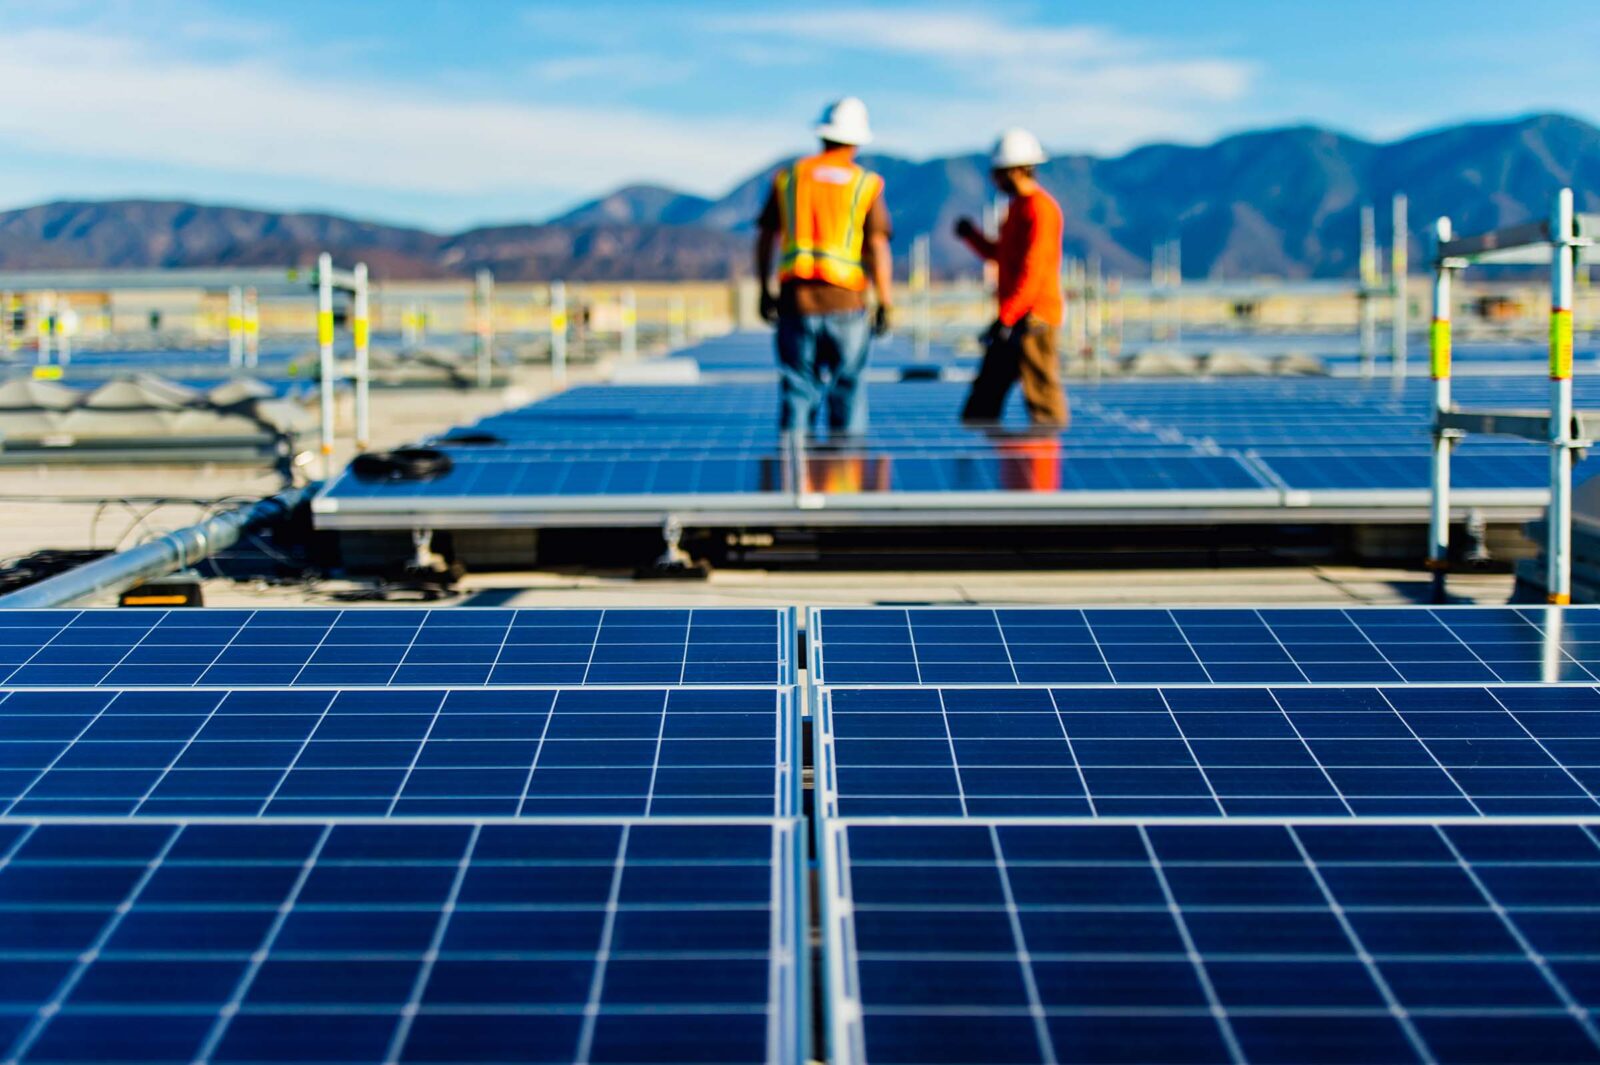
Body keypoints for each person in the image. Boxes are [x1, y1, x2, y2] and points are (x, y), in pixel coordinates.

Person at [755, 97, 893, 438]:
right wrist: (885, 300)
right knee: (848, 391)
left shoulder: (790, 179)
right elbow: (876, 246)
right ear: (857, 141)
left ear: (823, 135)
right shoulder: (864, 184)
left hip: (796, 303)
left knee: (798, 391)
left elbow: (765, 237)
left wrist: (763, 288)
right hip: (847, 303)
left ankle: (796, 482)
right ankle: (846, 479)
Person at [954, 128, 1068, 427]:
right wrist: (972, 237)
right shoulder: (1017, 208)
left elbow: (1034, 270)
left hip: (1034, 319)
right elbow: (1002, 256)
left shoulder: (1040, 210)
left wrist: (1006, 317)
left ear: (1017, 170)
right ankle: (979, 466)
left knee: (1043, 402)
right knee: (984, 400)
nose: (995, 180)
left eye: (999, 172)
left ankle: (1044, 467)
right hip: (1015, 315)